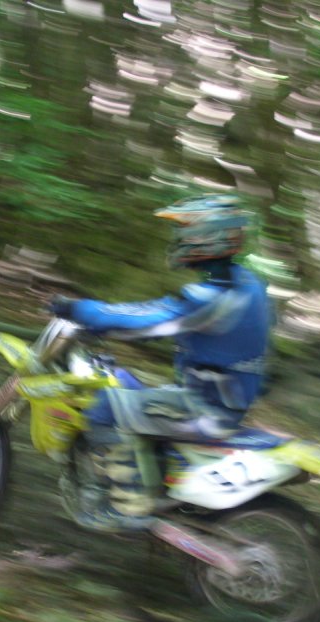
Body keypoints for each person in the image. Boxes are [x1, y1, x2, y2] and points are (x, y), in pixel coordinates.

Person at [49, 193, 273, 532]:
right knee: (123, 380)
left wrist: (80, 310)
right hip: (227, 395)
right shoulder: (249, 284)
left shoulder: (211, 299)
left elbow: (148, 319)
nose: (178, 239)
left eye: (185, 232)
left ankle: (130, 507)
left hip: (205, 407)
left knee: (105, 406)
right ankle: (154, 478)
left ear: (207, 238)